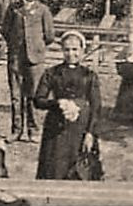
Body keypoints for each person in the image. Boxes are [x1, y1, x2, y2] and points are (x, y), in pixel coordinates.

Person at [32, 29, 101, 180]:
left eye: (75, 49)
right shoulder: (52, 73)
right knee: (55, 167)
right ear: (62, 50)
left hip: (80, 127)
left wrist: (90, 133)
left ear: (82, 50)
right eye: (67, 50)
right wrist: (57, 103)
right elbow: (38, 100)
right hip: (57, 128)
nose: (71, 54)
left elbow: (96, 107)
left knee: (81, 169)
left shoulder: (89, 75)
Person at [0, 0, 54, 142]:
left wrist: (36, 47)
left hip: (35, 59)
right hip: (16, 57)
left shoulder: (43, 10)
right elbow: (5, 31)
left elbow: (49, 35)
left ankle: (33, 129)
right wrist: (16, 46)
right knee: (16, 95)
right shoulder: (13, 8)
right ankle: (16, 129)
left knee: (33, 95)